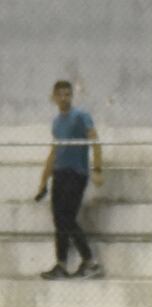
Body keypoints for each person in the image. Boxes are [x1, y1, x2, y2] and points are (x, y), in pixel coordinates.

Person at [36, 80, 105, 280]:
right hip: (59, 174)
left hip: (76, 173)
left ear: (71, 96)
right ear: (54, 97)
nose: (64, 98)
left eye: (67, 94)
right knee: (59, 220)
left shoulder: (81, 116)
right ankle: (61, 265)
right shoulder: (57, 122)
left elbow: (95, 141)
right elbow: (54, 152)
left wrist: (97, 169)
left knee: (67, 218)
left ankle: (90, 263)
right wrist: (43, 182)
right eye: (60, 94)